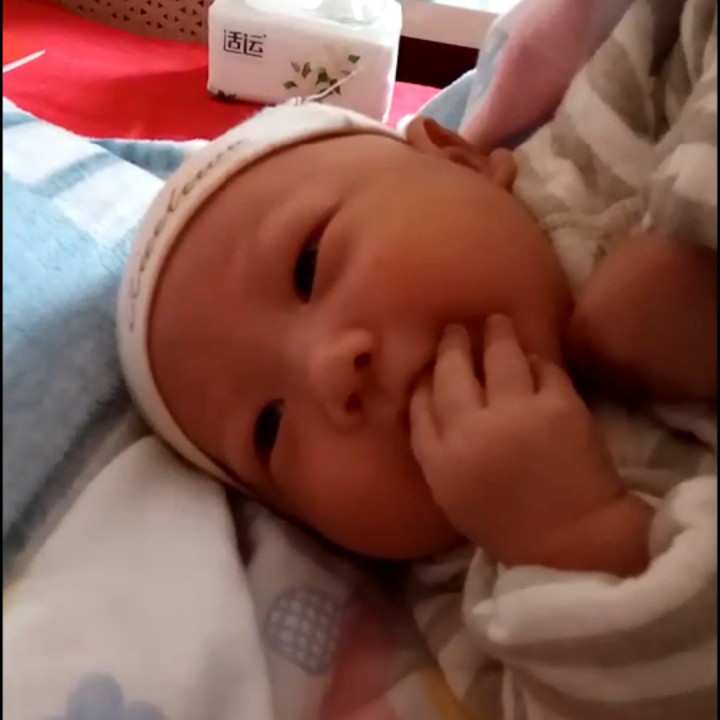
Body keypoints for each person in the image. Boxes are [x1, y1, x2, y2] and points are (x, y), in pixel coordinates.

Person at [117, 0, 716, 716]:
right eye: (269, 428)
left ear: (456, 157)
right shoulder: (478, 594)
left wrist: (696, 242)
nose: (326, 372)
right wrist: (575, 540)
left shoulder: (602, 141)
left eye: (308, 266)